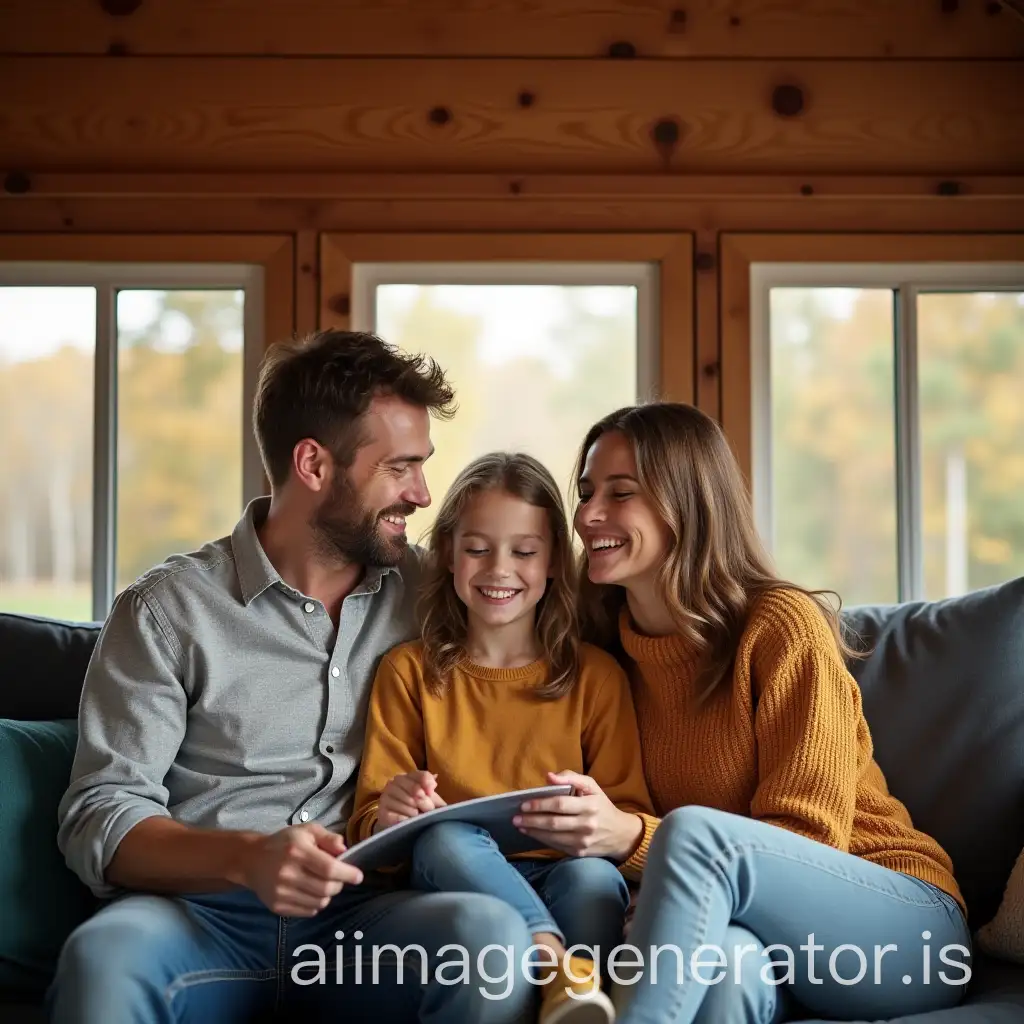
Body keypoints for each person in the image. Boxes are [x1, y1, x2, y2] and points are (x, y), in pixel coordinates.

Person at [48, 331, 537, 1024]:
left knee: (486, 940)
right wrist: (248, 859)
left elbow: (555, 635)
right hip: (198, 920)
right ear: (313, 463)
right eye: (400, 468)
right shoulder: (169, 609)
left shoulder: (435, 590)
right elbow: (102, 815)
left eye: (422, 467)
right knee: (102, 959)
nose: (424, 494)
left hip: (366, 921)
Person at [514, 402, 971, 1024]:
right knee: (725, 970)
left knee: (693, 832)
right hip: (756, 937)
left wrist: (630, 837)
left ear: (688, 505)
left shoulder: (778, 627)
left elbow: (812, 839)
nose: (588, 515)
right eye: (587, 491)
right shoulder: (602, 656)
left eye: (621, 493)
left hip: (901, 926)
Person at [348, 452, 657, 1024]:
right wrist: (392, 812)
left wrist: (591, 819)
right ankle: (553, 960)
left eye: (524, 551)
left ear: (554, 564)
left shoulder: (594, 676)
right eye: (477, 549)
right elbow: (371, 825)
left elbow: (626, 814)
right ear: (447, 555)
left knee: (593, 879)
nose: (499, 569)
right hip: (457, 878)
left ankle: (571, 1000)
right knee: (443, 839)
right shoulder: (409, 672)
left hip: (565, 868)